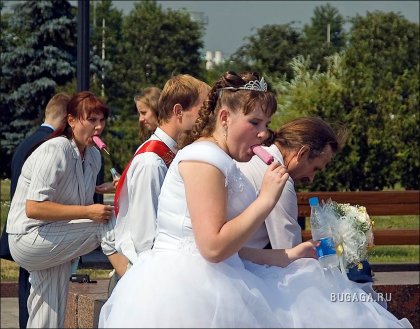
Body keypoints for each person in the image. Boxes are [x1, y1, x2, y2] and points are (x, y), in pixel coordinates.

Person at [99, 71, 411, 328]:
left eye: (265, 124)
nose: (263, 133)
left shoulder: (220, 158)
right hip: (189, 295)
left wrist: (289, 255)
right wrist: (266, 199)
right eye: (255, 122)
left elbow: (234, 252)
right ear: (224, 117)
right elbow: (213, 247)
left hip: (213, 278)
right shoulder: (203, 159)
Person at [6, 91, 128, 328]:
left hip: (54, 237)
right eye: (91, 120)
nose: (99, 127)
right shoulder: (55, 149)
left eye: (102, 120)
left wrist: (101, 189)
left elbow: (73, 197)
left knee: (48, 313)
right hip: (29, 237)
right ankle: (134, 277)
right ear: (71, 121)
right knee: (102, 225)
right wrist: (88, 213)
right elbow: (34, 208)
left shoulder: (93, 156)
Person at [114, 74, 210, 266]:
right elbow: (145, 237)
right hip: (149, 268)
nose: (207, 118)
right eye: (203, 110)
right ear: (179, 111)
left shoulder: (169, 151)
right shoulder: (151, 160)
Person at [0, 92, 70, 329]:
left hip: (20, 226)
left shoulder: (26, 142)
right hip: (35, 228)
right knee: (34, 295)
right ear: (66, 118)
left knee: (27, 291)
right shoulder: (49, 146)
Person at [237, 117, 348, 250]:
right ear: (303, 153)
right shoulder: (278, 179)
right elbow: (289, 251)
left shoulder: (250, 157)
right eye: (315, 169)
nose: (311, 179)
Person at [95, 86, 162, 195]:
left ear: (157, 109)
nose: (140, 119)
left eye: (144, 113)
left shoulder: (153, 151)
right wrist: (122, 184)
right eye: (139, 114)